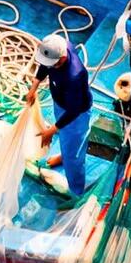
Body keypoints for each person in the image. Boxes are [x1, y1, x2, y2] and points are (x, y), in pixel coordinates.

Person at [33, 32, 94, 199]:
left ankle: (75, 191)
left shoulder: (74, 75)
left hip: (76, 114)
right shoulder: (59, 45)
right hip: (61, 103)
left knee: (74, 151)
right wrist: (34, 87)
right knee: (67, 142)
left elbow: (74, 110)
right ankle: (64, 156)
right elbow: (45, 65)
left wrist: (51, 130)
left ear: (60, 60)